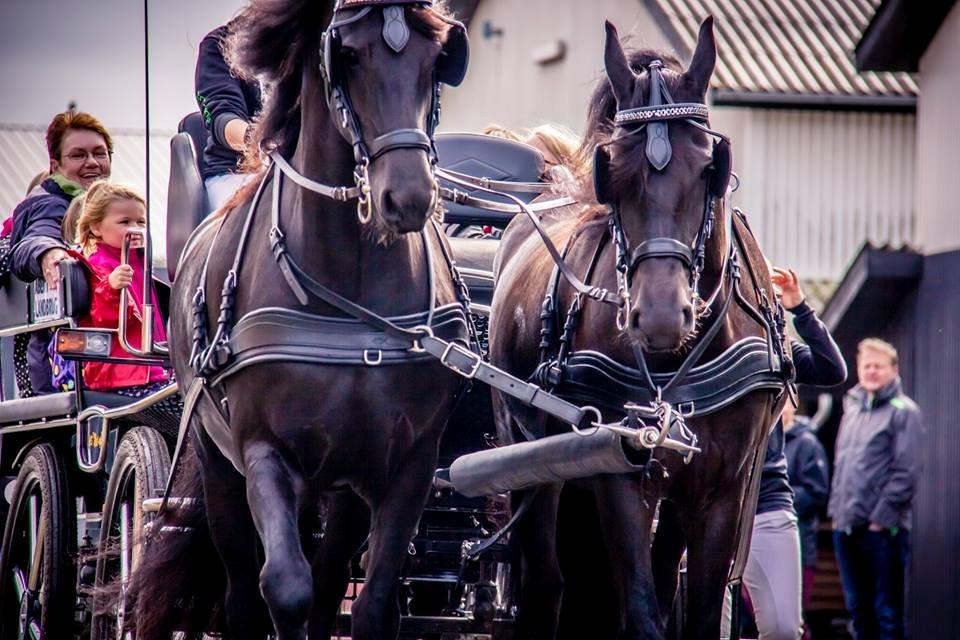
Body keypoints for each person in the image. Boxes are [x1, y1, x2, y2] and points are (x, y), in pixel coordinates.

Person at [723, 266, 847, 640]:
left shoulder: (774, 345)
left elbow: (832, 370)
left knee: (782, 630)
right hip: (699, 505)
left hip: (767, 503)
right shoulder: (690, 350)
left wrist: (800, 308)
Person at [10, 111, 113, 394]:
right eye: (78, 155)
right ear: (56, 165)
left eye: (99, 153)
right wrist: (50, 252)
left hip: (106, 356)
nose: (92, 163)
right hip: (60, 367)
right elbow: (33, 241)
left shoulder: (110, 207)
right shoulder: (50, 204)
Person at [829, 339, 923, 640]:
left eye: (878, 366)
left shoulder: (904, 411)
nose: (871, 371)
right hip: (846, 526)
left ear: (893, 370)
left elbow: (906, 472)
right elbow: (842, 466)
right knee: (858, 612)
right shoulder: (852, 410)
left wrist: (880, 520)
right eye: (866, 365)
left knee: (887, 613)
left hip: (881, 531)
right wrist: (837, 514)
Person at [71, 181, 169, 395]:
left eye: (141, 221)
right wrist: (111, 288)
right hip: (120, 372)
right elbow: (103, 319)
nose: (135, 228)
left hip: (152, 365)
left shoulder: (141, 263)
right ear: (96, 227)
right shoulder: (98, 264)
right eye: (125, 222)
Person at [195, 19, 262, 211]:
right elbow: (223, 117)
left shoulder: (323, 42)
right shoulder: (223, 43)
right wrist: (261, 142)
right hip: (236, 173)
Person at [783, 401, 830, 639]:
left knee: (793, 621)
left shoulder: (807, 443)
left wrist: (775, 499)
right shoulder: (755, 440)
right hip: (755, 546)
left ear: (794, 404)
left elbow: (816, 492)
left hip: (799, 546)